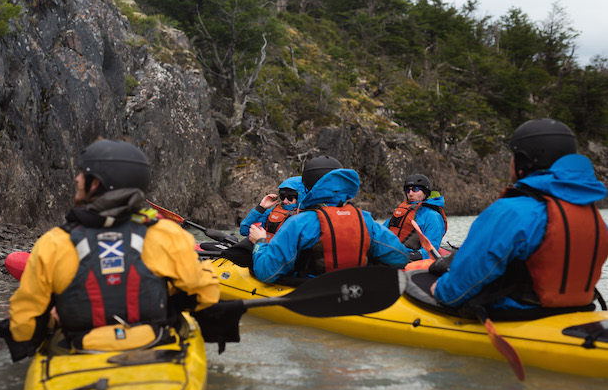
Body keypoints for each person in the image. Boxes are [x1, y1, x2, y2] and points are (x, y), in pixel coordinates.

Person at [0, 140, 221, 361]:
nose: (76, 178)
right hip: (153, 345)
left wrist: (53, 319)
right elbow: (207, 295)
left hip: (81, 350)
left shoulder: (54, 242)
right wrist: (168, 298)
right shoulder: (168, 235)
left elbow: (23, 326)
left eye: (83, 173)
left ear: (96, 184)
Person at [431, 119, 608, 311]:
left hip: (516, 316)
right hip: (579, 312)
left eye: (513, 155)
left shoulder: (512, 212)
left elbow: (455, 290)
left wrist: (439, 289)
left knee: (425, 282)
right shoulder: (592, 215)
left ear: (524, 161)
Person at [247, 156, 409, 282]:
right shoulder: (365, 219)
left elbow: (266, 273)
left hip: (312, 292)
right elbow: (400, 258)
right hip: (356, 290)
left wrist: (260, 243)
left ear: (307, 187)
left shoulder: (298, 222)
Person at [384, 173, 447, 260]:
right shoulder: (402, 211)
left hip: (410, 258)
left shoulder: (433, 216)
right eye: (407, 190)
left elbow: (431, 249)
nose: (410, 193)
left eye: (415, 189)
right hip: (392, 253)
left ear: (425, 193)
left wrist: (411, 256)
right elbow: (380, 232)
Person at [239, 176, 307, 240]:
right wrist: (261, 207)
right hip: (266, 250)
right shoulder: (271, 213)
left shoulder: (307, 216)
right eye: (282, 197)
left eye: (290, 198)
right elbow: (245, 231)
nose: (285, 201)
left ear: (300, 198)